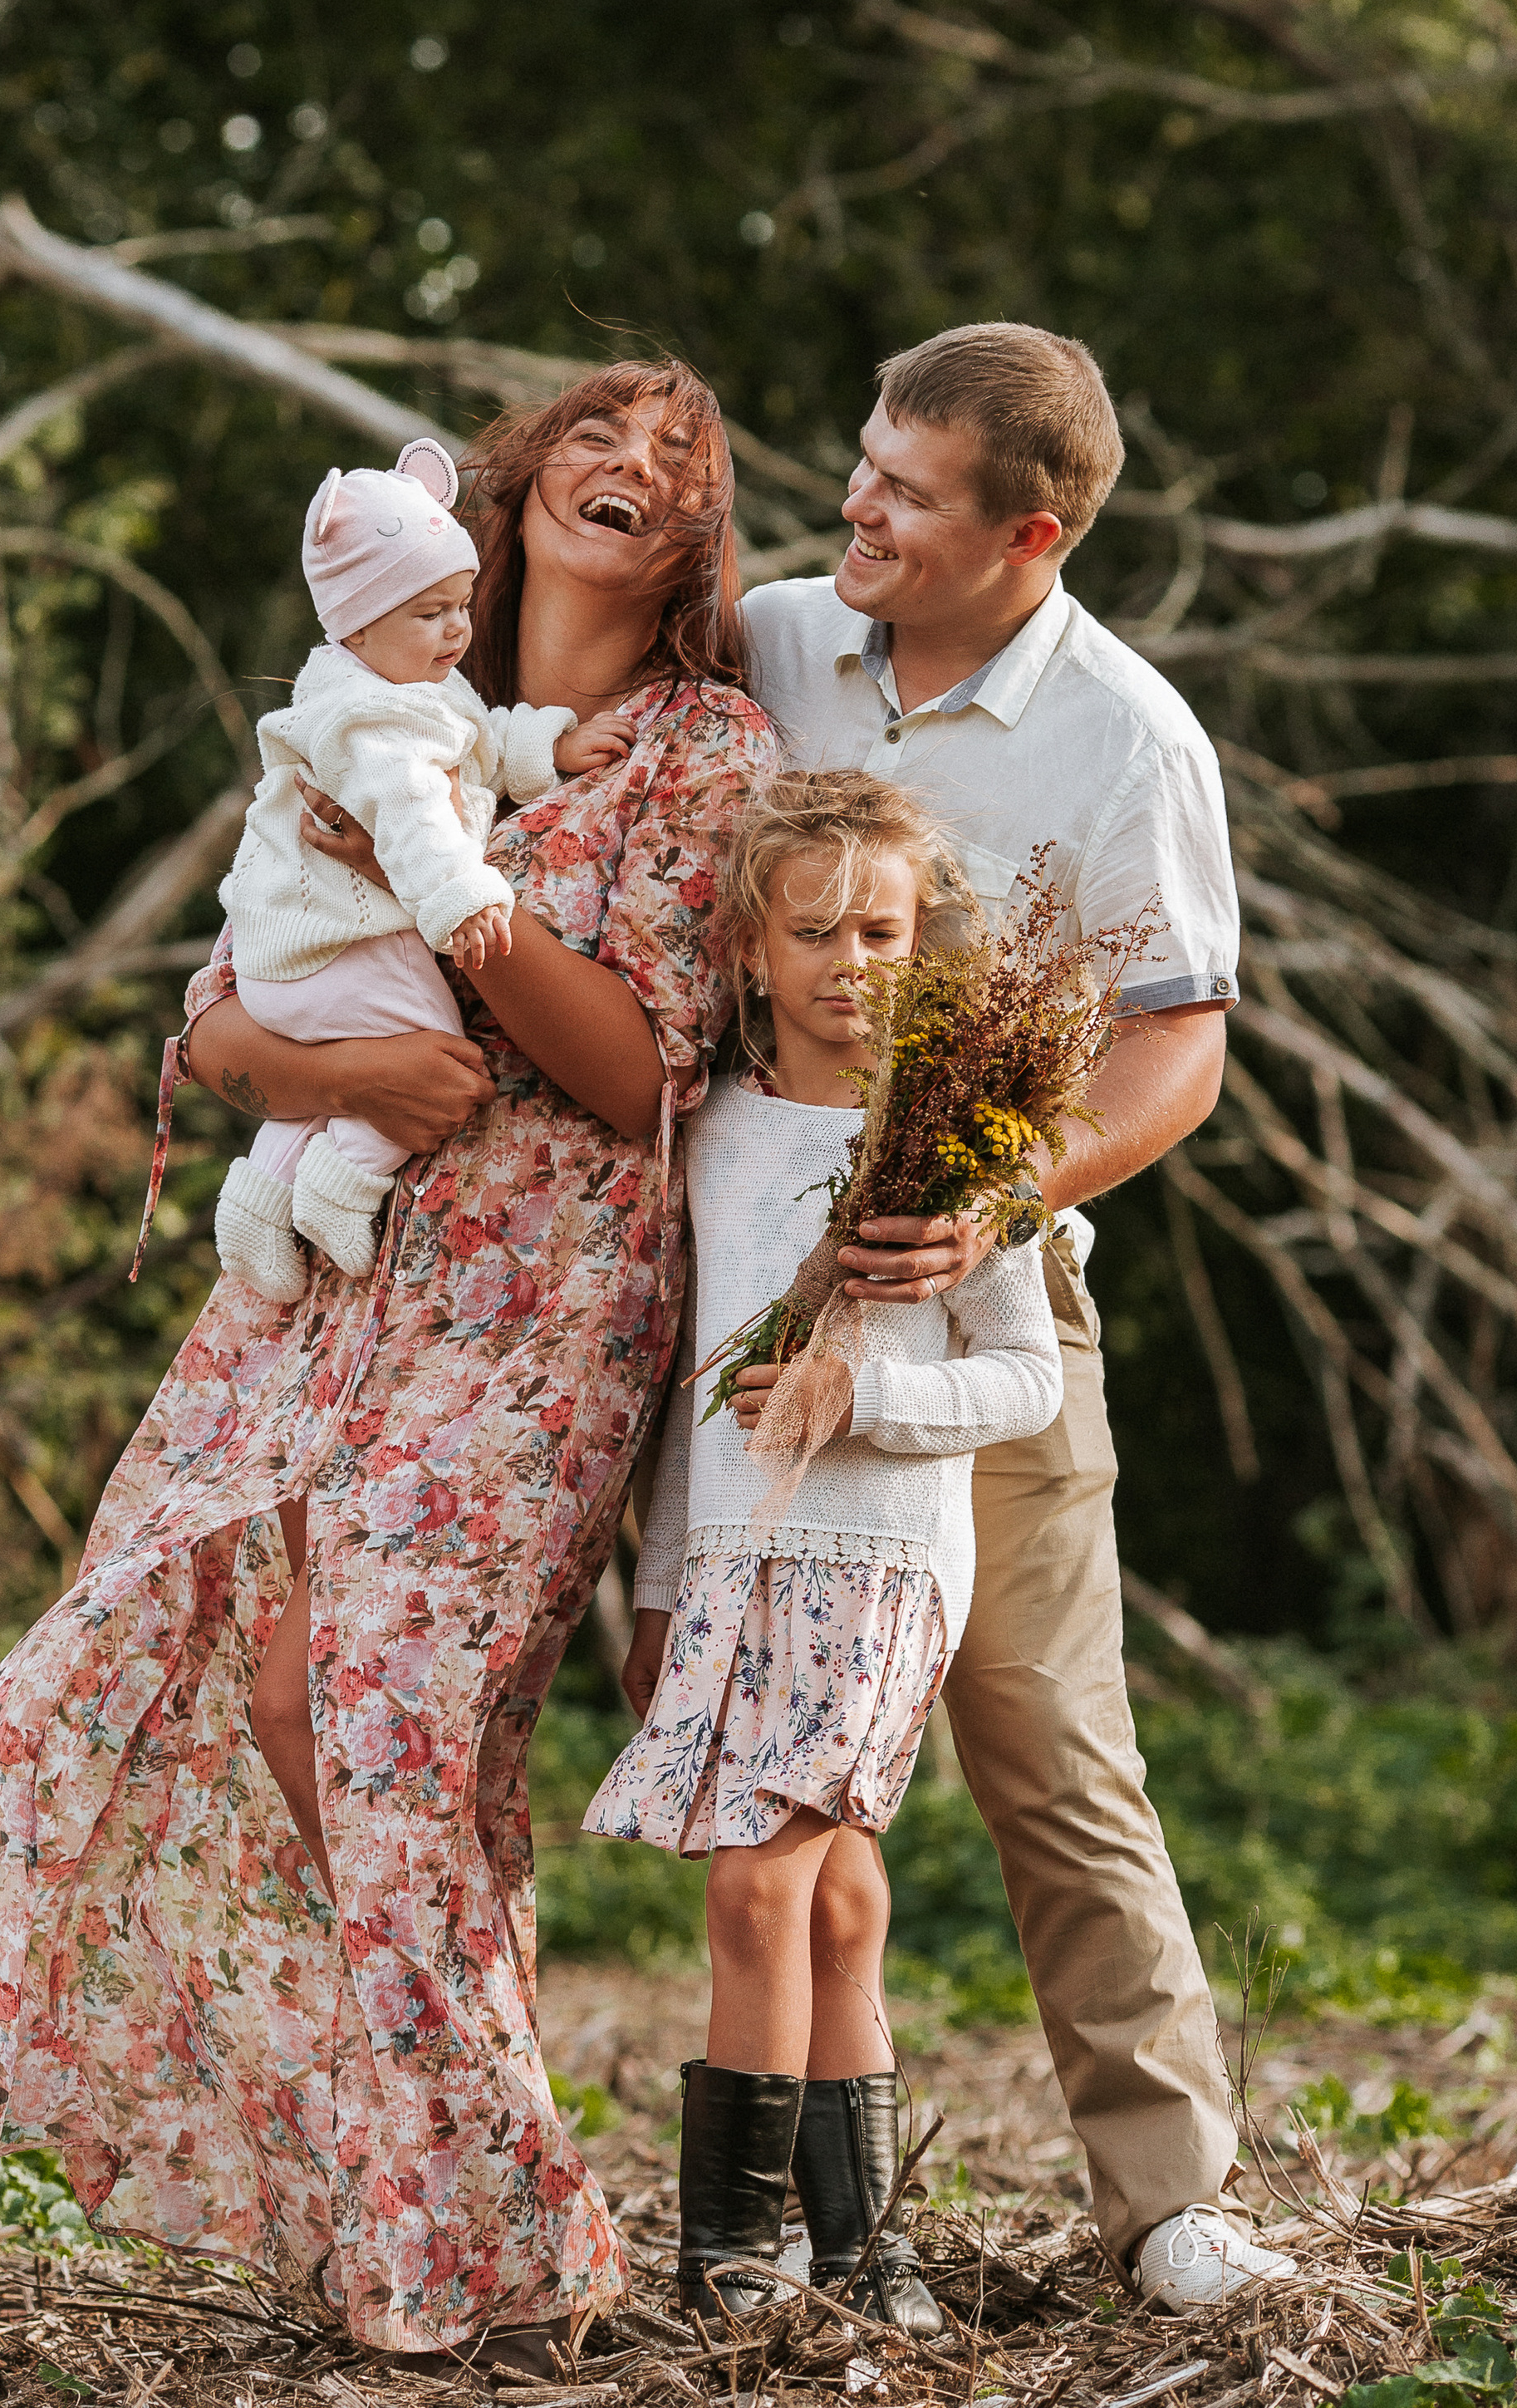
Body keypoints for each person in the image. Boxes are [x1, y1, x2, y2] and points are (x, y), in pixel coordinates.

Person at [0, 361, 776, 2370]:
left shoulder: (703, 753)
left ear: (694, 536)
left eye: (678, 460)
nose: (631, 465)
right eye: (599, 435)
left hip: (535, 1311)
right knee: (226, 1668)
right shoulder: (362, 684)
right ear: (514, 482)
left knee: (373, 1719)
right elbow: (222, 998)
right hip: (326, 1271)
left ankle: (489, 2210)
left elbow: (639, 1071)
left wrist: (454, 909)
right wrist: (329, 1062)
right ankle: (414, 2201)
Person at [738, 322, 1294, 2312]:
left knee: (1049, 1745)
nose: (850, 508)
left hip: (983, 1303)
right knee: (744, 1769)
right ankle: (746, 2224)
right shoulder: (775, 637)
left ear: (1025, 530)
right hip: (719, 1287)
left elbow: (1176, 1046)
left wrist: (991, 1190)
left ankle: (1164, 2197)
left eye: (898, 489)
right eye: (859, 461)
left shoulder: (1125, 735)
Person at [587, 770, 1062, 2336]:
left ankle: (727, 2250)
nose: (853, 961)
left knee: (751, 1897)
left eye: (883, 928)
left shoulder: (958, 1148)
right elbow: (681, 1385)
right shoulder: (707, 1135)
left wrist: (868, 1394)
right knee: (837, 1901)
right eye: (817, 931)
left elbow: (1026, 1378)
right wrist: (658, 1584)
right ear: (748, 951)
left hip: (875, 1563)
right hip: (725, 1557)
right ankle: (866, 2258)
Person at [213, 433, 626, 1300]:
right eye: (428, 613)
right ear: (355, 621)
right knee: (436, 1051)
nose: (455, 630)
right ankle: (342, 1184)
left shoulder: (398, 683)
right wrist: (459, 897)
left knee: (366, 1068)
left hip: (305, 962)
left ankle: (257, 1198)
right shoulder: (370, 718)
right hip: (341, 950)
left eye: (461, 604)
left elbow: (471, 739)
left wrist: (550, 742)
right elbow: (410, 810)